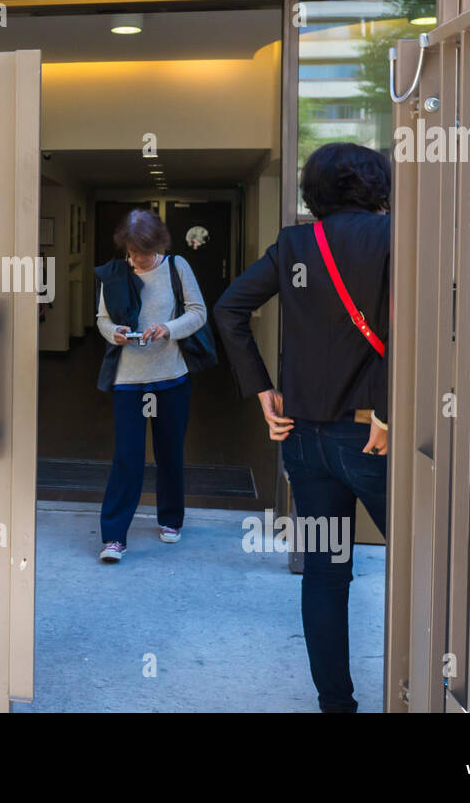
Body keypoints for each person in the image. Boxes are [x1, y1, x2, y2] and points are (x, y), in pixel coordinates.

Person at [213, 142, 390, 713]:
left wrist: (263, 390)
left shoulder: (294, 244)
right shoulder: (394, 240)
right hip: (372, 436)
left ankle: (335, 705)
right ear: (377, 185)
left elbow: (229, 308)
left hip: (303, 440)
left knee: (324, 575)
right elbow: (414, 330)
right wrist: (385, 407)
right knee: (426, 564)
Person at [93, 208, 207, 562]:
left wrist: (168, 328)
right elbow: (102, 319)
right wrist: (116, 333)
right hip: (129, 380)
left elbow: (198, 312)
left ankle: (171, 519)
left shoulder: (177, 267)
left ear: (158, 244)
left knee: (169, 452)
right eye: (132, 252)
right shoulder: (113, 274)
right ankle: (113, 537)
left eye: (143, 253)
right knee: (127, 457)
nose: (138, 260)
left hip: (171, 377)